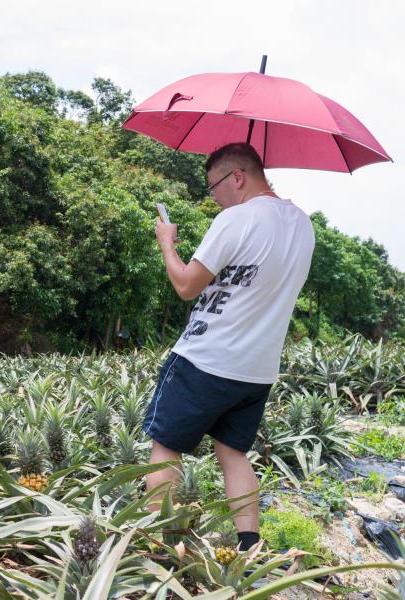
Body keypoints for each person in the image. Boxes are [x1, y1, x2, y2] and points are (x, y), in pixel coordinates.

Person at [143, 142, 315, 551]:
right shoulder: (303, 225)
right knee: (233, 454)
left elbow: (186, 285)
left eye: (214, 185)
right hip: (257, 370)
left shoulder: (235, 219)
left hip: (206, 358)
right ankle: (249, 546)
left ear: (237, 177)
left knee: (165, 448)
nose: (214, 195)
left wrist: (167, 242)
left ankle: (155, 543)